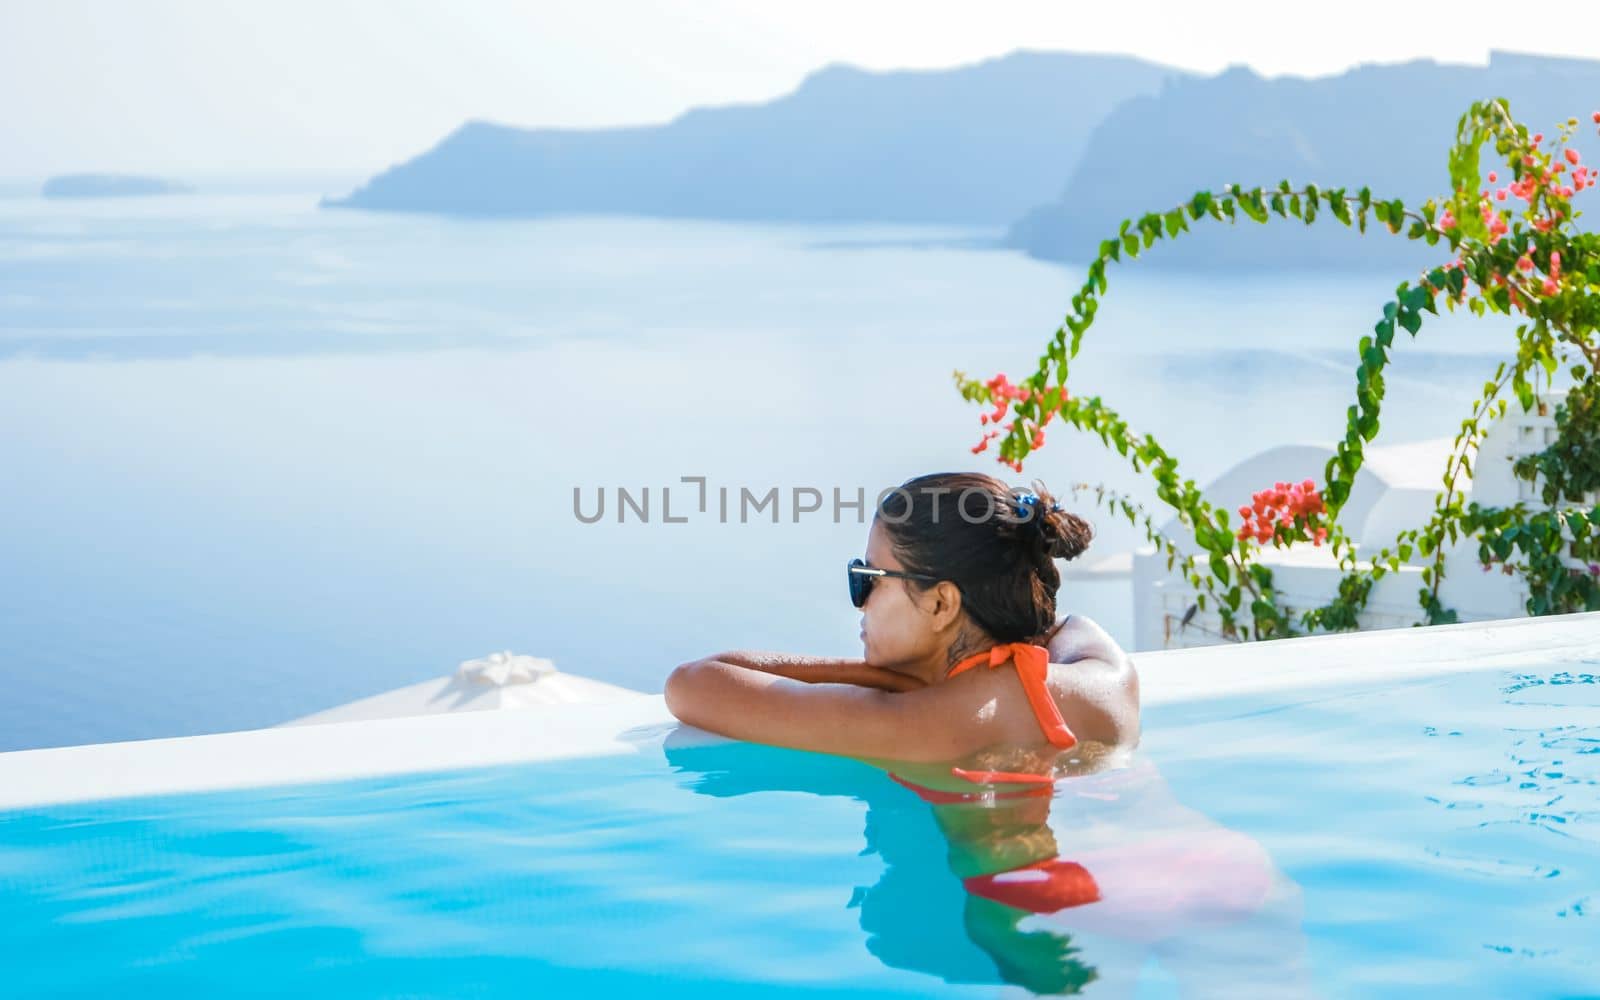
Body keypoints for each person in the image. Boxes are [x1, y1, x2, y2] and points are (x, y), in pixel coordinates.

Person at [664, 471, 1139, 766]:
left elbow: (691, 683)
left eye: (868, 577)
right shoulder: (1106, 676)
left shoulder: (920, 722)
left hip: (1007, 908)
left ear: (941, 604)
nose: (860, 599)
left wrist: (884, 676)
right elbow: (1064, 627)